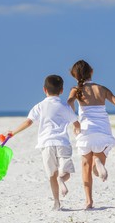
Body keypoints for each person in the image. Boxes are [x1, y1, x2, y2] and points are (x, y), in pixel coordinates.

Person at [68, 60, 115, 209]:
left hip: (85, 131)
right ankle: (99, 162)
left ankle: (89, 201)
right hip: (103, 131)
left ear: (75, 75)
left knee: (85, 166)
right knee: (97, 168)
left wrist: (74, 122)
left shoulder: (76, 90)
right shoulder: (102, 89)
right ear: (92, 72)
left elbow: (69, 102)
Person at [6, 75, 81, 211]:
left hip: (46, 144)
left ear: (44, 89)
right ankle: (62, 180)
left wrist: (13, 132)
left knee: (52, 174)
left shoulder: (39, 106)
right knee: (66, 171)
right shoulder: (64, 106)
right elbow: (76, 123)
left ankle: (57, 202)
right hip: (62, 143)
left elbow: (28, 122)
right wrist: (77, 130)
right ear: (62, 90)